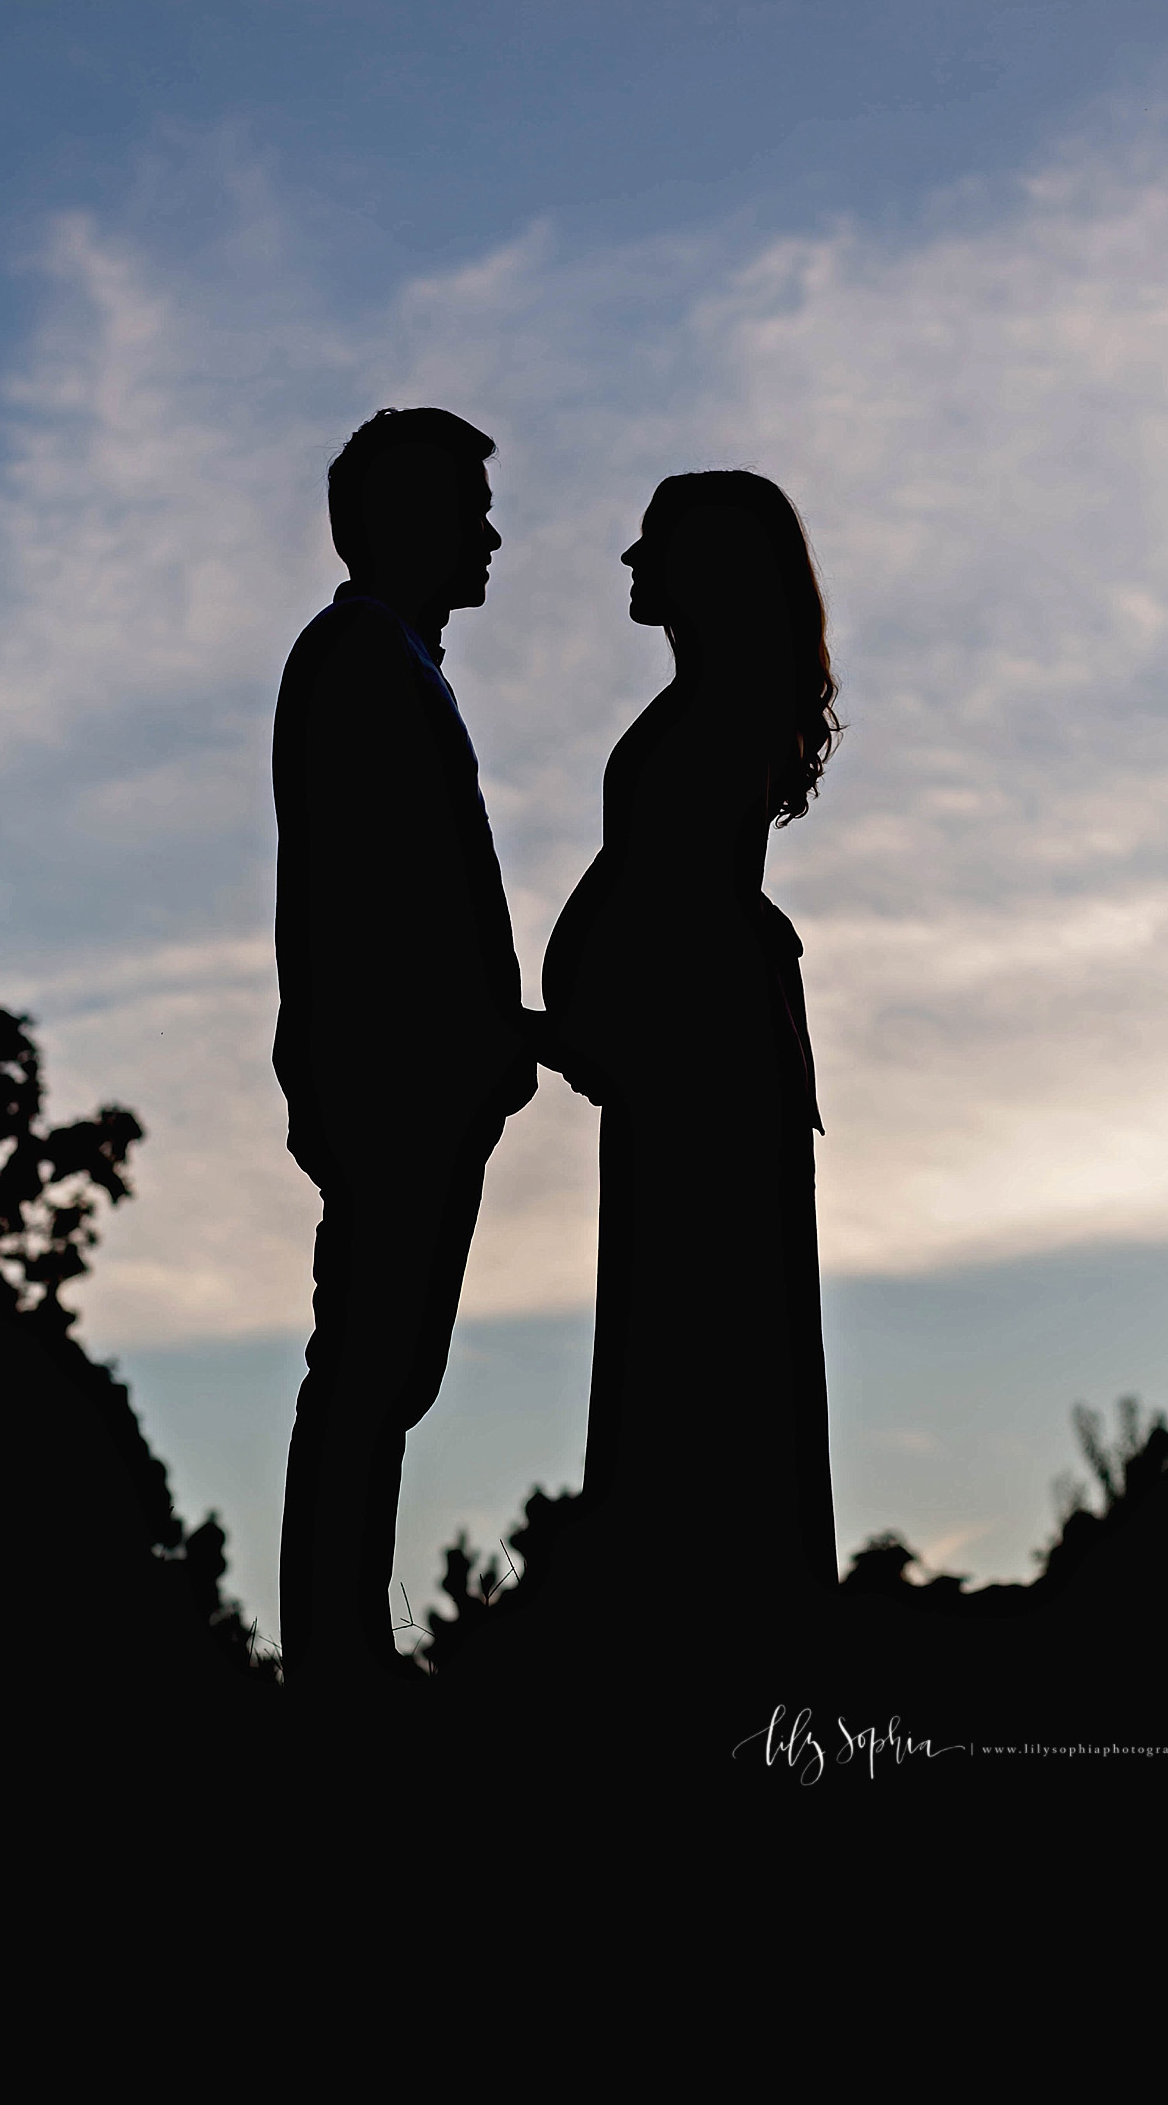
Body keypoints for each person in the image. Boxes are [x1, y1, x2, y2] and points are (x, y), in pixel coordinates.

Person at [534, 469, 842, 1687]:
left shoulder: (721, 707)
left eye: (651, 543)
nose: (625, 560)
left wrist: (573, 1007)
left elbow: (663, 890)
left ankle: (713, 1658)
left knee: (707, 1352)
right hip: (691, 1053)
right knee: (689, 1350)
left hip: (705, 1060)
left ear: (705, 568)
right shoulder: (711, 701)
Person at [271, 407, 538, 1692]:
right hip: (398, 1083)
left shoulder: (387, 657)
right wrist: (465, 1043)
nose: (492, 532)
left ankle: (342, 1651)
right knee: (370, 1369)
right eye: (470, 507)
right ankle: (337, 1662)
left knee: (383, 1371)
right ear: (407, 519)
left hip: (418, 1077)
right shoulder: (361, 657)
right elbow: (376, 899)